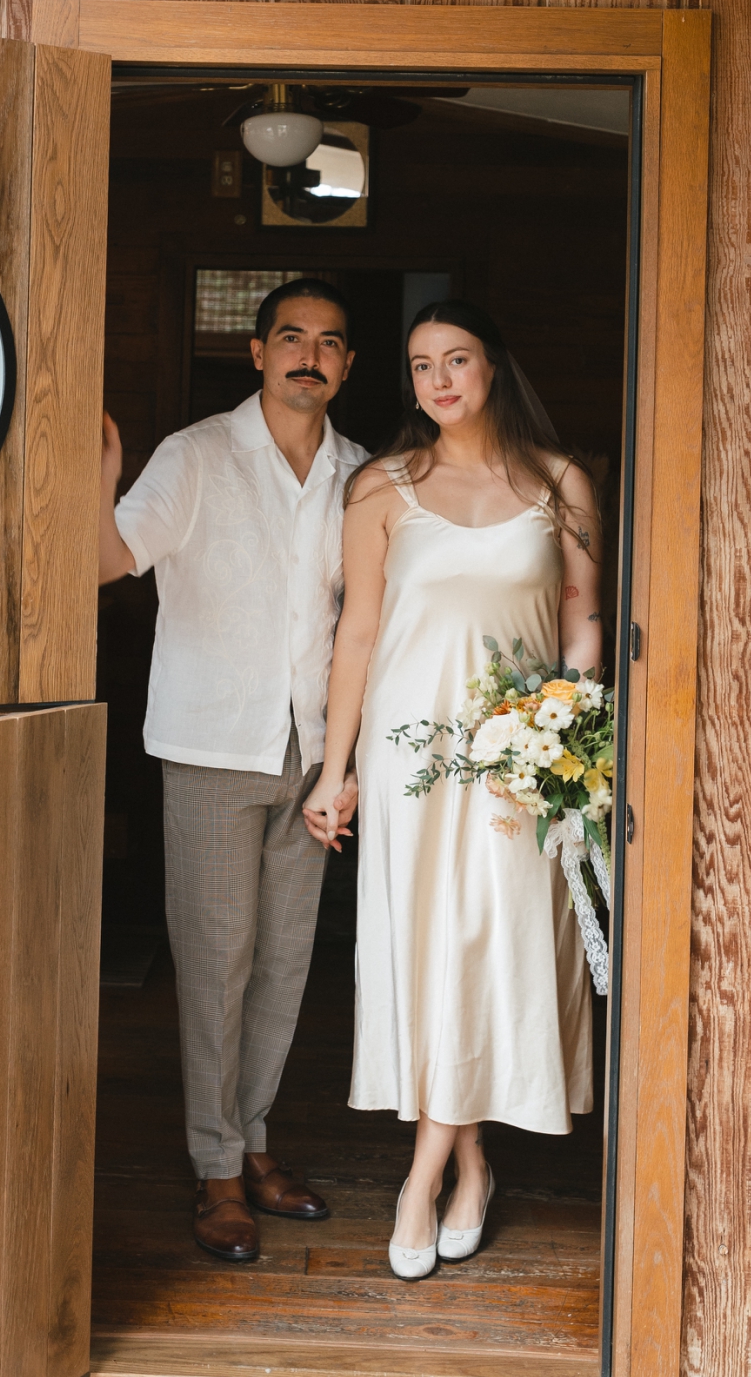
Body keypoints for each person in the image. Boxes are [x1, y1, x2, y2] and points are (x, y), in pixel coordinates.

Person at [299, 300, 598, 1280]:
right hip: (409, 754)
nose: (440, 380)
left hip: (521, 760)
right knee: (430, 950)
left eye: (458, 358)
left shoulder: (561, 484)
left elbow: (582, 619)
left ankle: (421, 1171)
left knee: (492, 943)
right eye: (422, 364)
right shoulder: (382, 486)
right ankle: (468, 1163)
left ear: (493, 367)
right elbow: (357, 634)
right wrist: (336, 768)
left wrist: (573, 731)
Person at [99, 279, 367, 1264]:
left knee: (287, 962)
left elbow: (369, 629)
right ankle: (215, 1169)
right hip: (213, 747)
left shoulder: (362, 474)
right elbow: (110, 554)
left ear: (347, 365)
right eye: (291, 336)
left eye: (330, 342)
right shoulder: (198, 454)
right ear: (256, 352)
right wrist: (98, 474)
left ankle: (252, 1142)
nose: (310, 353)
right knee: (217, 965)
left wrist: (353, 766)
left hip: (315, 752)